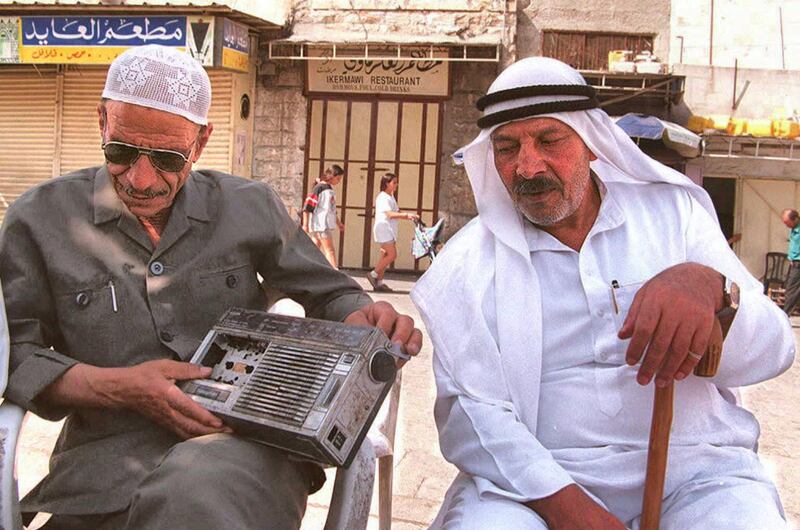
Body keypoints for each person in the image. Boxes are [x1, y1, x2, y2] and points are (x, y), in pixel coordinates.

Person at [0, 45, 422, 530]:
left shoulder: (248, 206)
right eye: (120, 152)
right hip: (100, 474)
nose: (140, 178)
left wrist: (361, 317)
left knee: (195, 500)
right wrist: (118, 388)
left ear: (200, 144)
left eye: (166, 159)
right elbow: (16, 354)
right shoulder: (39, 219)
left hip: (243, 454)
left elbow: (328, 292)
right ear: (101, 121)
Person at [410, 57, 794, 529]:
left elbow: (776, 349)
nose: (528, 166)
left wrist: (712, 290)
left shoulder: (674, 215)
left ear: (592, 143)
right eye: (507, 148)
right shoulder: (467, 266)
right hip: (536, 482)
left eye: (549, 140)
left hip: (696, 472)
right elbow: (472, 414)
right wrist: (568, 508)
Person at [367, 172, 419, 292]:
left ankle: (379, 283)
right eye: (394, 183)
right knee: (392, 255)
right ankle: (373, 274)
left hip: (389, 230)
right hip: (384, 229)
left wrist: (411, 216)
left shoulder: (391, 196)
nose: (396, 185)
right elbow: (390, 214)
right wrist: (407, 216)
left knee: (385, 255)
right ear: (387, 184)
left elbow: (396, 210)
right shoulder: (383, 197)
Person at [304, 165, 345, 269]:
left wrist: (338, 223)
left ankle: (306, 270)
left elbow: (331, 209)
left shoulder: (329, 189)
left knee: (315, 249)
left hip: (323, 224)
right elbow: (307, 207)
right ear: (331, 176)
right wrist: (305, 225)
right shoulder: (319, 188)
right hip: (321, 224)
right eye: (338, 178)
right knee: (329, 250)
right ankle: (335, 274)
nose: (339, 181)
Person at [780, 208, 800, 315]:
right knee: (791, 288)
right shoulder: (794, 228)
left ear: (795, 219)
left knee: (791, 290)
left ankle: (785, 315)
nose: (787, 225)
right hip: (794, 262)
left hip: (798, 263)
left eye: (788, 223)